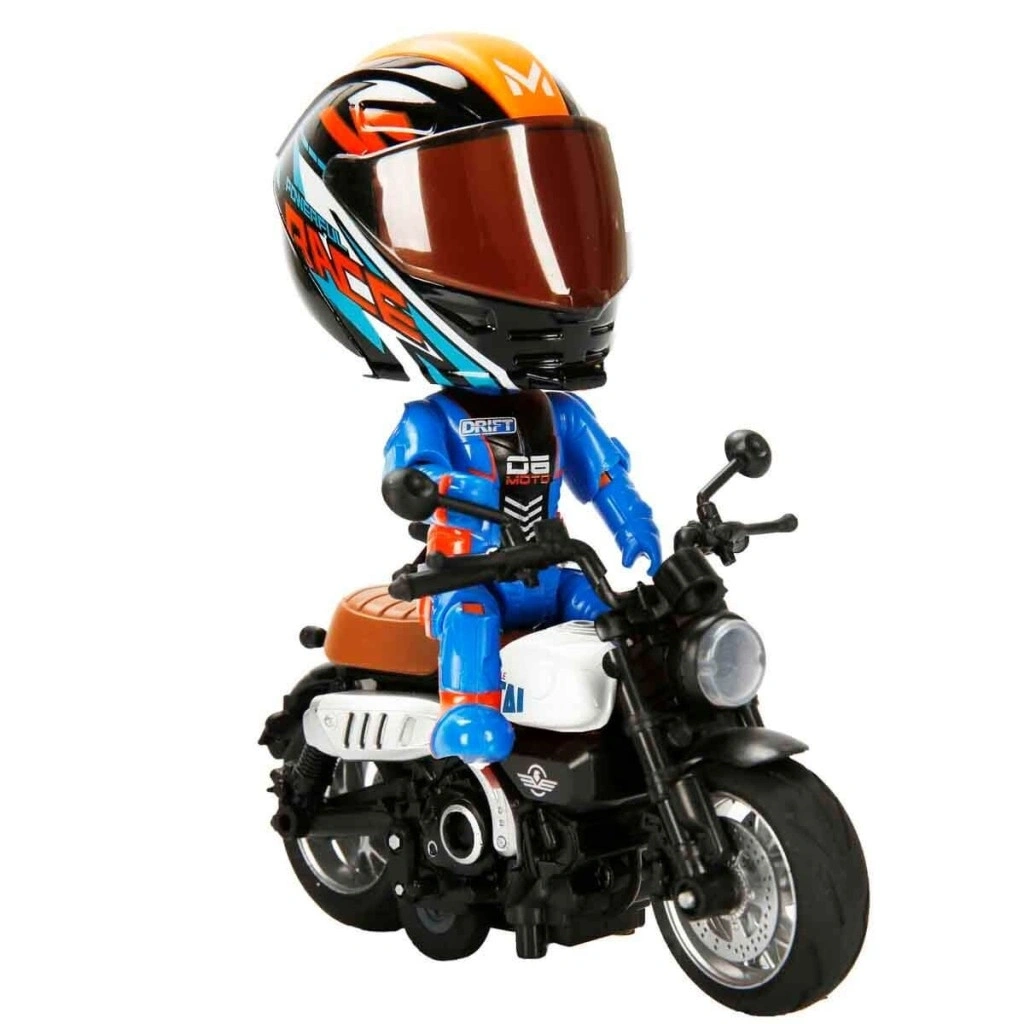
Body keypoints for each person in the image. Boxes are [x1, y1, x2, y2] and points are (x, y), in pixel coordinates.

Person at [274, 32, 660, 763]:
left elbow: (606, 476)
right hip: (467, 575)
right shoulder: (432, 419)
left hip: (549, 571)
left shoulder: (561, 413)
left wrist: (635, 525)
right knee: (471, 617)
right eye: (480, 234)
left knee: (614, 618)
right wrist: (445, 490)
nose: (541, 263)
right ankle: (467, 720)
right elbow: (413, 477)